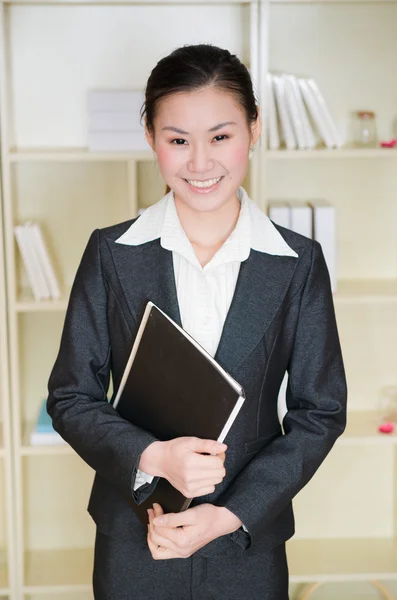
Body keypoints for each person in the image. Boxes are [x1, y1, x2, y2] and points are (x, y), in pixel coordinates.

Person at [47, 44, 347, 600]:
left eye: (221, 136)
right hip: (136, 533)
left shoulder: (298, 263)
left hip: (246, 543)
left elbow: (320, 412)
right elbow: (70, 396)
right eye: (177, 140)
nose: (200, 162)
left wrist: (228, 515)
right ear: (150, 136)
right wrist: (154, 456)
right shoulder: (112, 253)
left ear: (253, 130)